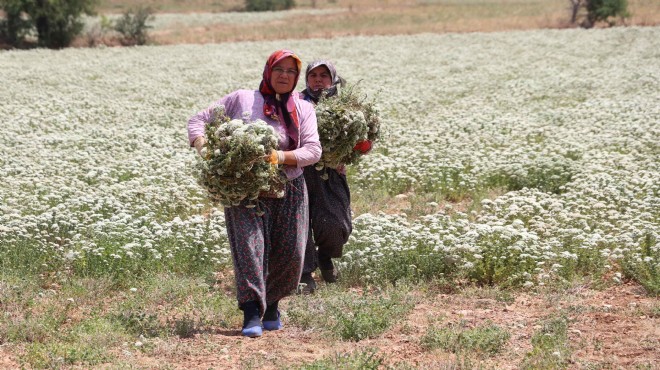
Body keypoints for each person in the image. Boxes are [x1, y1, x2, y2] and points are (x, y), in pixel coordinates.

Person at [188, 50, 321, 337]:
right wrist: (204, 148)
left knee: (291, 252)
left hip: (290, 186)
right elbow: (198, 121)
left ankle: (272, 305)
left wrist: (277, 157)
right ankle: (251, 313)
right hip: (244, 188)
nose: (284, 75)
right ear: (268, 71)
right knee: (249, 248)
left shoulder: (303, 108)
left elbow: (313, 150)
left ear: (296, 77)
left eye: (290, 71)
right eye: (279, 69)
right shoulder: (242, 99)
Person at [298, 60, 372, 294]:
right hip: (299, 170)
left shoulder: (345, 105)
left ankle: (325, 256)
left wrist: (351, 150)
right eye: (313, 75)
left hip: (331, 172)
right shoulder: (296, 102)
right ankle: (305, 273)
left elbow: (364, 140)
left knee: (338, 224)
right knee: (300, 223)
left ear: (333, 79)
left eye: (323, 75)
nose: (318, 80)